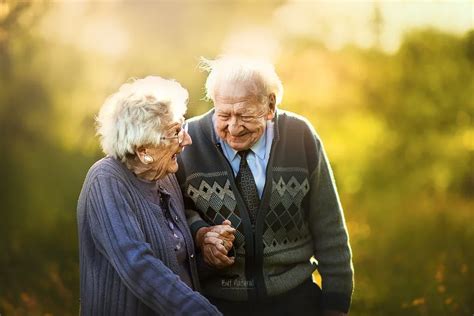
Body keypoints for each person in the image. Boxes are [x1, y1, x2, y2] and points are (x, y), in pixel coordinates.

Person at [176, 56, 354, 316]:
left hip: (294, 298)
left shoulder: (299, 136)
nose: (234, 127)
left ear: (270, 105)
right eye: (223, 114)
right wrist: (201, 233)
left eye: (245, 115)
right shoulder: (189, 141)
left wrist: (336, 304)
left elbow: (329, 226)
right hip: (216, 302)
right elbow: (171, 212)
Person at [77, 76, 221, 315]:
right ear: (144, 151)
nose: (187, 139)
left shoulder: (163, 175)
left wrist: (209, 249)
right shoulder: (106, 181)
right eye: (176, 132)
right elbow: (138, 266)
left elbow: (176, 257)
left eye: (182, 126)